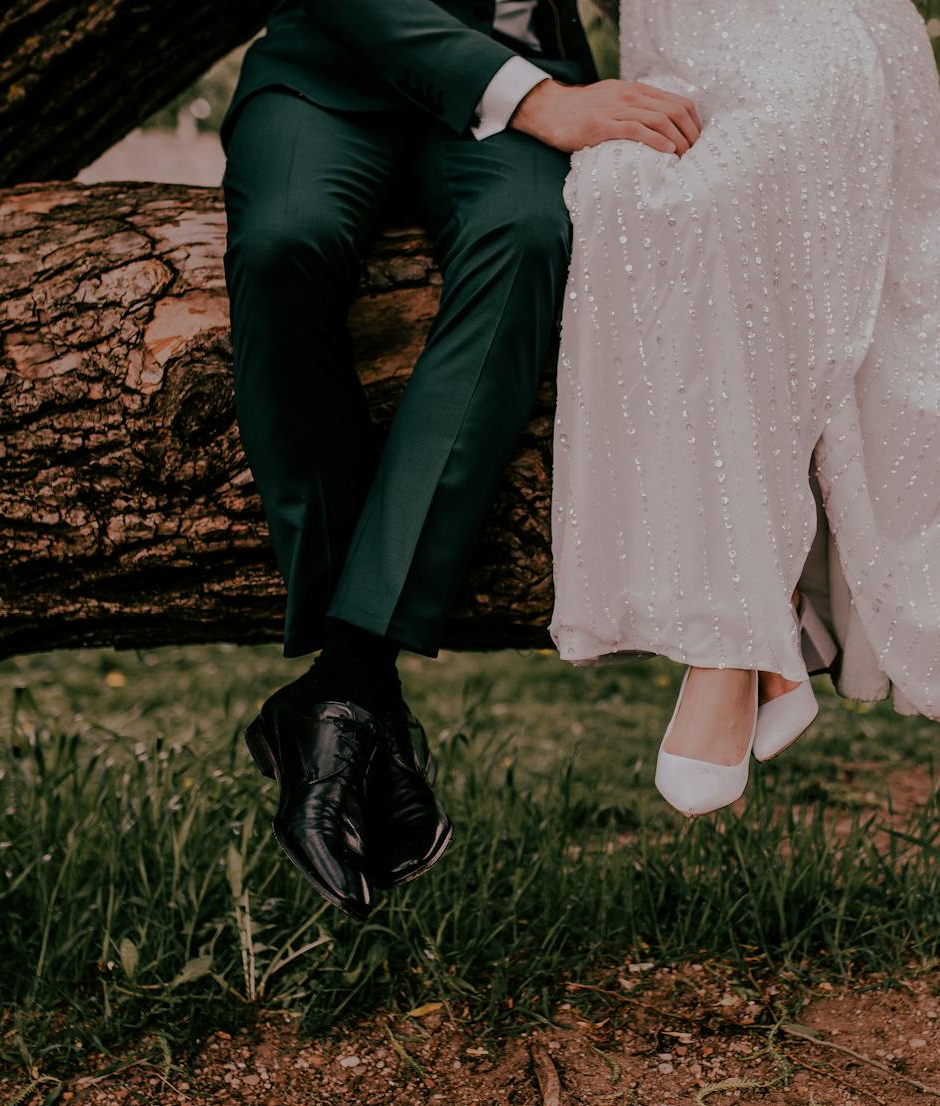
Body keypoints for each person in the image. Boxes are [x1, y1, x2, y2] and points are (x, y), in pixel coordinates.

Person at [220, 0, 701, 917]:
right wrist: (535, 101)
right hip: (328, 69)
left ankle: (343, 687)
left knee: (529, 241)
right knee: (285, 243)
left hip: (529, 77)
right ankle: (360, 700)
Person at [548, 0, 940, 816]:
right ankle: (771, 611)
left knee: (732, 180)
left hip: (810, 35)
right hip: (676, 43)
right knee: (621, 190)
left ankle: (731, 648)